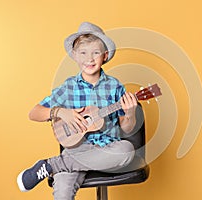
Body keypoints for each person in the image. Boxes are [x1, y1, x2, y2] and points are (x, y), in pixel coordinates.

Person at [17, 22, 138, 199]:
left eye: (95, 53)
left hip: (108, 150)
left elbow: (127, 128)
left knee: (127, 150)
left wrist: (130, 113)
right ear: (75, 56)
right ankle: (63, 165)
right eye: (83, 53)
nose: (90, 59)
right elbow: (33, 113)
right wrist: (59, 112)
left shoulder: (115, 86)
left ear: (104, 56)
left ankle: (52, 165)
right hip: (75, 150)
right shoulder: (68, 88)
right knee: (63, 190)